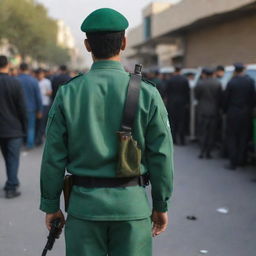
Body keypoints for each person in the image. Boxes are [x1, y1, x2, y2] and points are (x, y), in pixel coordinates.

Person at [40, 8, 174, 256]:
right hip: (132, 209)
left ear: (87, 45)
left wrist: (51, 205)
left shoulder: (68, 92)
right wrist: (160, 204)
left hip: (84, 209)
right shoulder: (147, 93)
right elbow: (161, 156)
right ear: (123, 43)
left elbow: (53, 155)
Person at [0, 56, 27, 198]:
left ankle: (10, 182)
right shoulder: (15, 83)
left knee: (6, 157)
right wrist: (25, 127)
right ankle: (11, 187)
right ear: (8, 65)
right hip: (13, 128)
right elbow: (22, 108)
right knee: (12, 158)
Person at [223, 63, 255, 170]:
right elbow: (253, 99)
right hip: (246, 113)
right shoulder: (250, 82)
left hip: (233, 112)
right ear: (243, 70)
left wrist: (225, 111)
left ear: (235, 71)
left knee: (232, 137)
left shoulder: (232, 82)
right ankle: (242, 160)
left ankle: (233, 162)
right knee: (243, 137)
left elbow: (226, 99)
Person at [195, 68, 222, 159]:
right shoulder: (217, 83)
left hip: (202, 110)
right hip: (214, 111)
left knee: (203, 132)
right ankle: (208, 152)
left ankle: (202, 151)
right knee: (211, 132)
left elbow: (196, 96)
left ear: (205, 74)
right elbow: (220, 97)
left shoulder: (200, 83)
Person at [18, 63, 42, 149]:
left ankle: (19, 143)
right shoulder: (34, 80)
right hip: (31, 108)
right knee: (30, 127)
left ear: (20, 69)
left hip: (18, 108)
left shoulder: (16, 80)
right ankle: (29, 144)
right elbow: (38, 97)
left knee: (19, 126)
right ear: (27, 69)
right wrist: (39, 110)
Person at [165, 65, 190, 145]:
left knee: (172, 122)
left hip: (172, 103)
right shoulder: (185, 79)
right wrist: (187, 103)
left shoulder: (170, 80)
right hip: (182, 103)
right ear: (181, 71)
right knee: (181, 122)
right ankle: (182, 140)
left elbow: (167, 92)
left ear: (175, 70)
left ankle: (174, 140)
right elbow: (187, 92)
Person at [35, 68, 52, 145]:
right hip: (37, 104)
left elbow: (50, 92)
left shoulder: (47, 82)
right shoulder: (35, 81)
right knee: (37, 122)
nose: (39, 75)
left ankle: (39, 139)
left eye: (41, 74)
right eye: (38, 74)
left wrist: (44, 93)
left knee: (42, 122)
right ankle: (37, 138)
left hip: (45, 104)